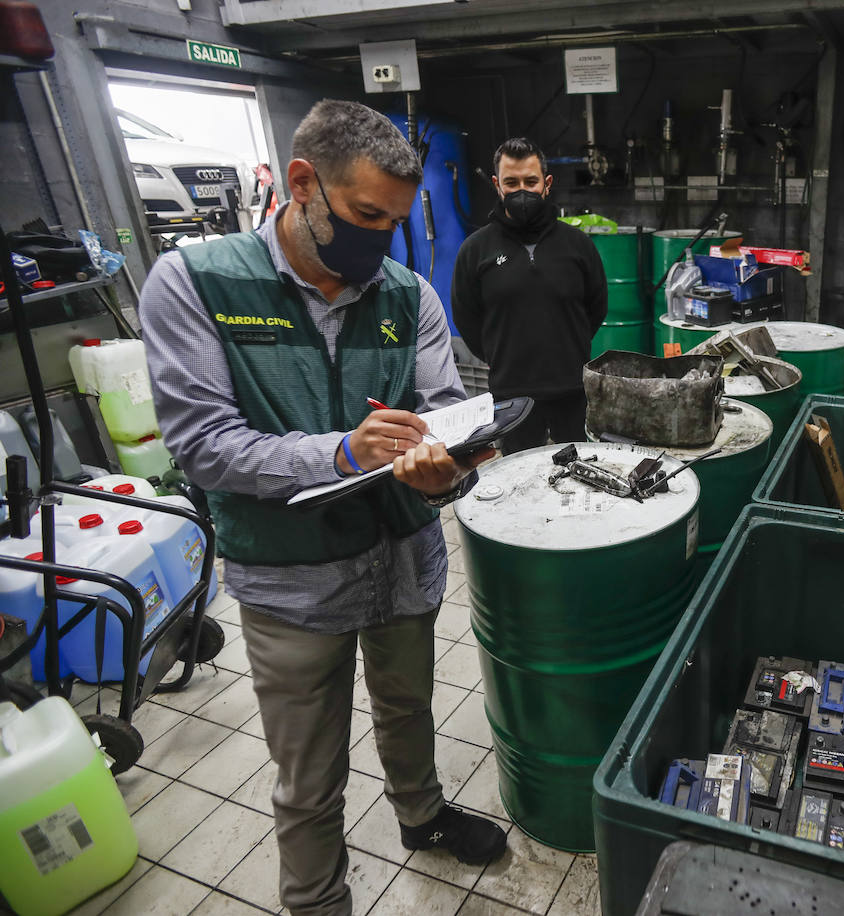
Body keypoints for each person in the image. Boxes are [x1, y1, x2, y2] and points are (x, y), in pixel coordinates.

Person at [140, 100, 506, 916]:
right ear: (302, 185)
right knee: (309, 772)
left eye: (397, 222)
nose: (381, 239)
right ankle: (317, 901)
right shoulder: (199, 282)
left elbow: (446, 411)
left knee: (410, 706)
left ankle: (421, 814)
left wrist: (443, 470)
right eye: (366, 215)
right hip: (292, 582)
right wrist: (344, 451)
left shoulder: (409, 295)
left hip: (403, 561)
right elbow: (205, 446)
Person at [452, 137, 608, 452]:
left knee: (581, 481)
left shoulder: (578, 245)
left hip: (573, 391)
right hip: (511, 396)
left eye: (530, 181)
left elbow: (596, 308)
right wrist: (502, 356)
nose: (521, 190)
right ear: (497, 185)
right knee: (519, 486)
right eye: (511, 182)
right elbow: (467, 319)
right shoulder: (475, 250)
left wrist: (568, 346)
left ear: (546, 184)